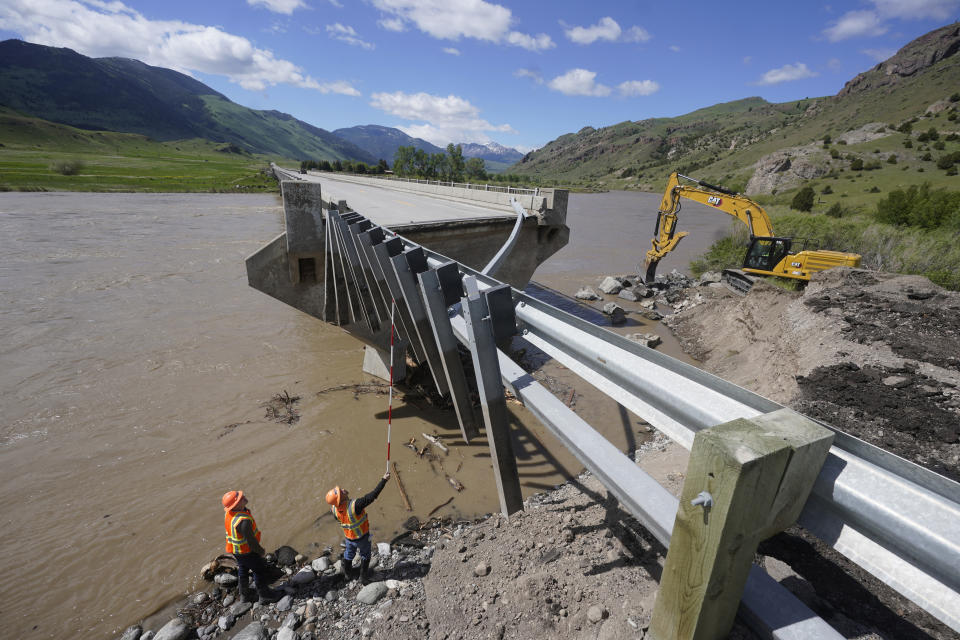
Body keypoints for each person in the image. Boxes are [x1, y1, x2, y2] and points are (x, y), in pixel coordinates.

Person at [325, 472, 390, 584]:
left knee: (348, 555)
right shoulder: (356, 505)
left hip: (349, 539)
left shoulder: (334, 510)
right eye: (341, 492)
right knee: (366, 555)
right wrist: (384, 480)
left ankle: (348, 574)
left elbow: (341, 520)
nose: (344, 490)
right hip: (362, 538)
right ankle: (363, 578)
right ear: (340, 500)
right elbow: (373, 495)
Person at [222, 490, 281, 603]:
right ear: (236, 505)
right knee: (259, 570)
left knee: (243, 569)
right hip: (247, 552)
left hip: (235, 550)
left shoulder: (229, 514)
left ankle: (244, 595)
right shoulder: (243, 522)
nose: (243, 497)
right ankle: (265, 595)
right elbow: (251, 542)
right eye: (240, 498)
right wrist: (260, 551)